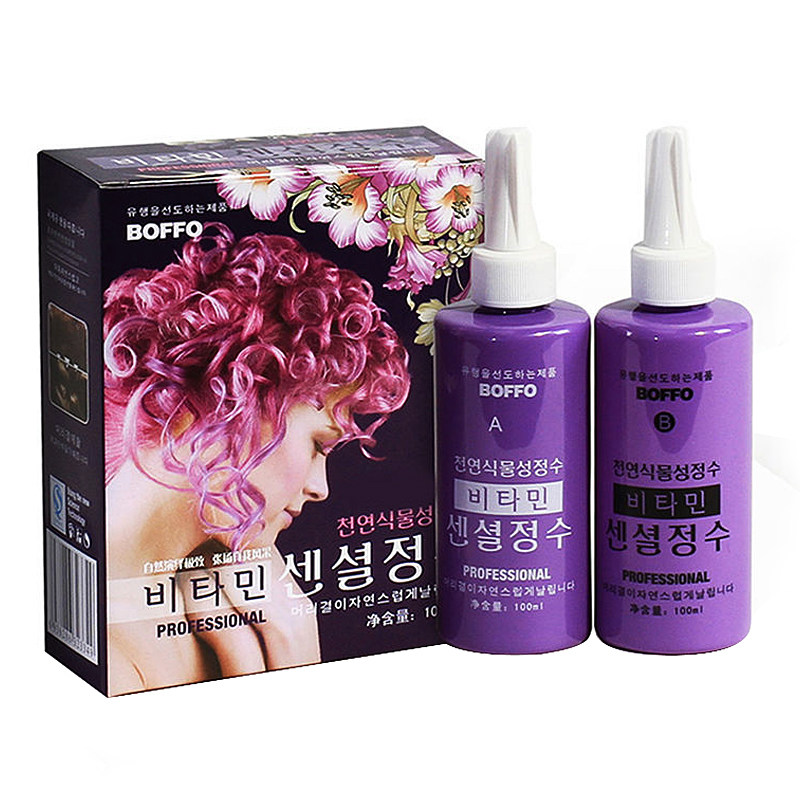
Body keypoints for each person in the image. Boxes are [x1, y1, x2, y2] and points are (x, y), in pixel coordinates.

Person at [103, 223, 410, 693]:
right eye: (318, 446)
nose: (320, 488)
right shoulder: (109, 646)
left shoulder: (221, 608)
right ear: (231, 398)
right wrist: (295, 645)